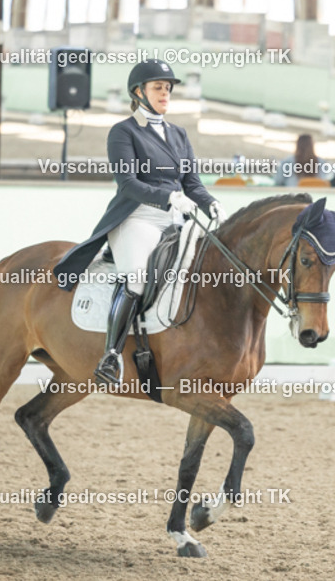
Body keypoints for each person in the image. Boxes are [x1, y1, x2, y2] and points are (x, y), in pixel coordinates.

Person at [52, 59, 227, 384]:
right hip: (137, 219)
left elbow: (192, 183)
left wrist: (211, 203)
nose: (165, 93)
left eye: (168, 88)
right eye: (158, 87)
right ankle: (111, 356)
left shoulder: (178, 134)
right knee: (136, 279)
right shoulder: (124, 131)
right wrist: (167, 197)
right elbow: (128, 183)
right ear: (139, 92)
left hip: (175, 221)